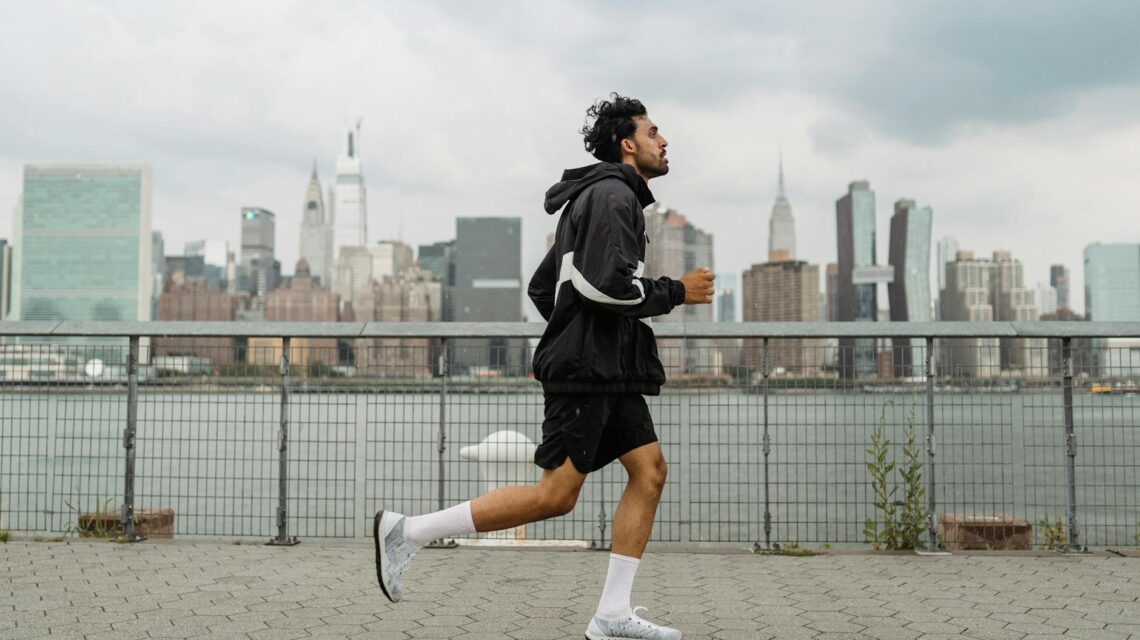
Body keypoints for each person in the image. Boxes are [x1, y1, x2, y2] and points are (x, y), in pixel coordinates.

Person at [374, 93, 715, 640]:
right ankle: (408, 532)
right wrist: (677, 292)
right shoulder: (611, 197)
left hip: (608, 367)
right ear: (627, 144)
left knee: (649, 472)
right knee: (555, 495)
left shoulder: (601, 198)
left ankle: (611, 616)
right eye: (654, 132)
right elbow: (607, 285)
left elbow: (545, 286)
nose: (665, 140)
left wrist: (577, 328)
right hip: (588, 370)